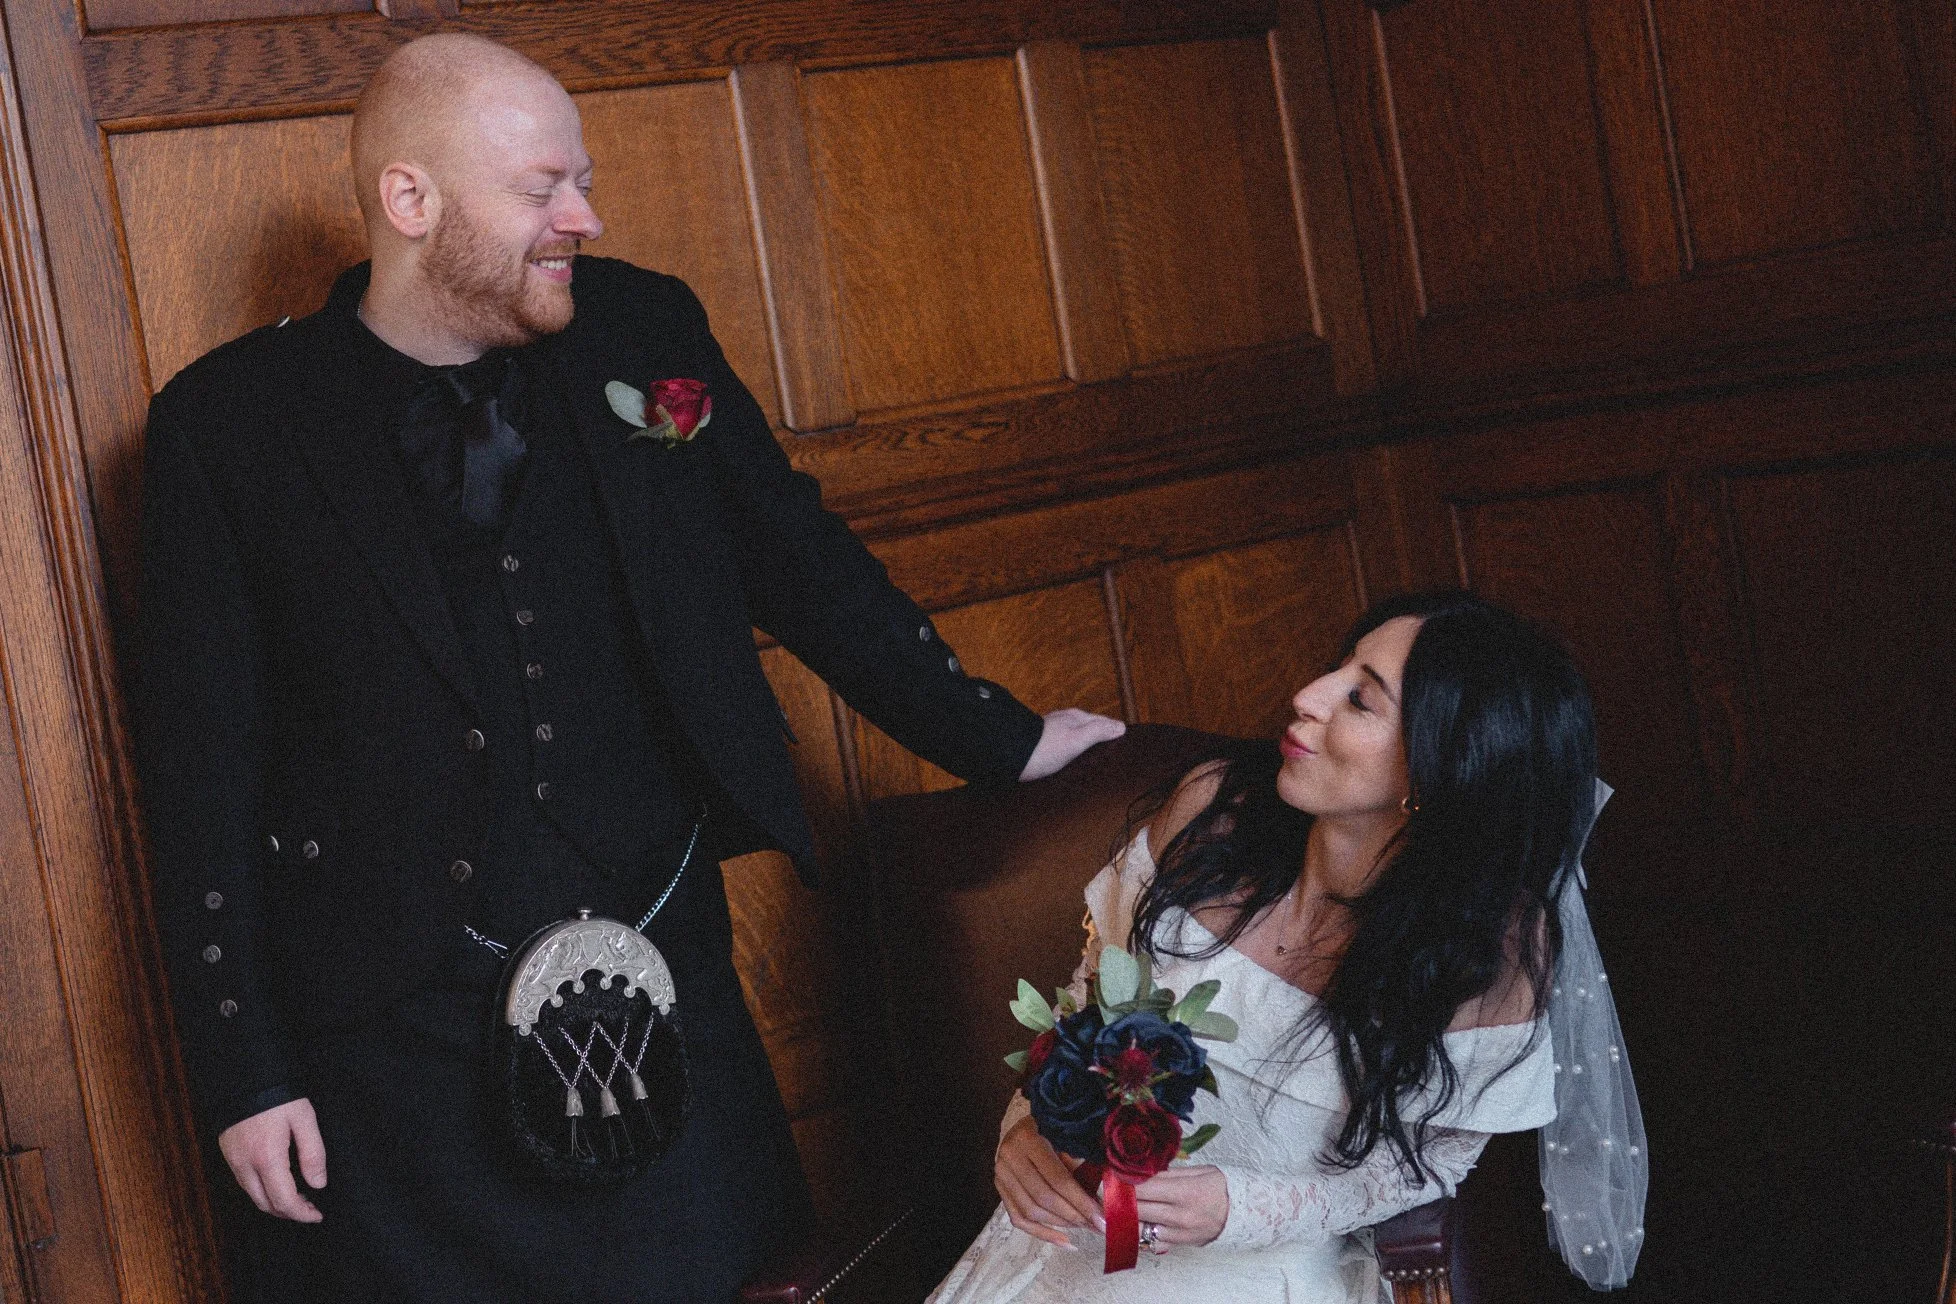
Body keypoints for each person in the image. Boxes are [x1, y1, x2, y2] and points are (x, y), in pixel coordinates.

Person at [134, 32, 1123, 1304]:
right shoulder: (231, 424)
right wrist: (245, 1072)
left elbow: (799, 557)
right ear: (410, 198)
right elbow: (201, 764)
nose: (582, 216)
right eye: (543, 188)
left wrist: (1005, 736)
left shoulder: (648, 335)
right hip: (390, 1032)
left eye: (582, 181)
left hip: (658, 970)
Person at [929, 591, 1644, 1302]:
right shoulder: (1209, 813)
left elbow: (1420, 1171)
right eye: (1339, 668)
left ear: (1438, 768)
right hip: (1060, 1244)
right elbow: (1088, 1001)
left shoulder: (1495, 953)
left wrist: (1240, 1210)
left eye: (1362, 699)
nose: (1307, 696)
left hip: (1261, 1277)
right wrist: (1025, 1130)